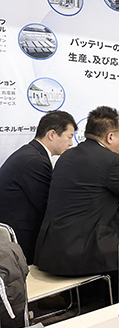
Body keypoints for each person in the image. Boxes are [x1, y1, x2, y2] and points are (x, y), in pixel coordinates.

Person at [35, 106, 119, 282]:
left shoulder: (67, 155)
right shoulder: (111, 161)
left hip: (53, 250)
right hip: (83, 252)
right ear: (110, 137)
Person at [0, 111, 76, 264]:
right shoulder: (35, 161)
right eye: (69, 137)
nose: (71, 143)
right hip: (21, 240)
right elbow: (49, 205)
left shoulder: (30, 153)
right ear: (52, 134)